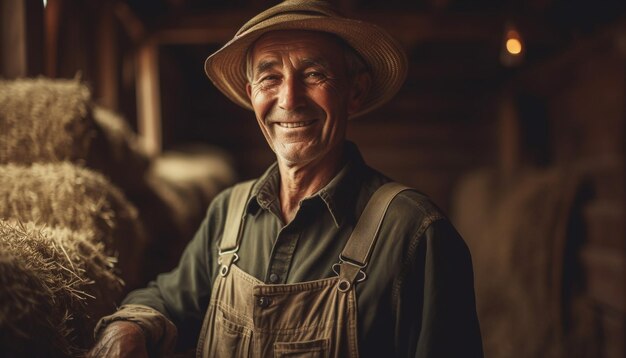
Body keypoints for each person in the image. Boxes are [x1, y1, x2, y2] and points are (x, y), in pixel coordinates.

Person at [88, 0, 483, 357]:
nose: (289, 99)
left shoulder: (416, 233)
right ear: (251, 94)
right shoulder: (229, 211)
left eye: (314, 74)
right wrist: (130, 325)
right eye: (270, 78)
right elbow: (173, 297)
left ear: (355, 91)